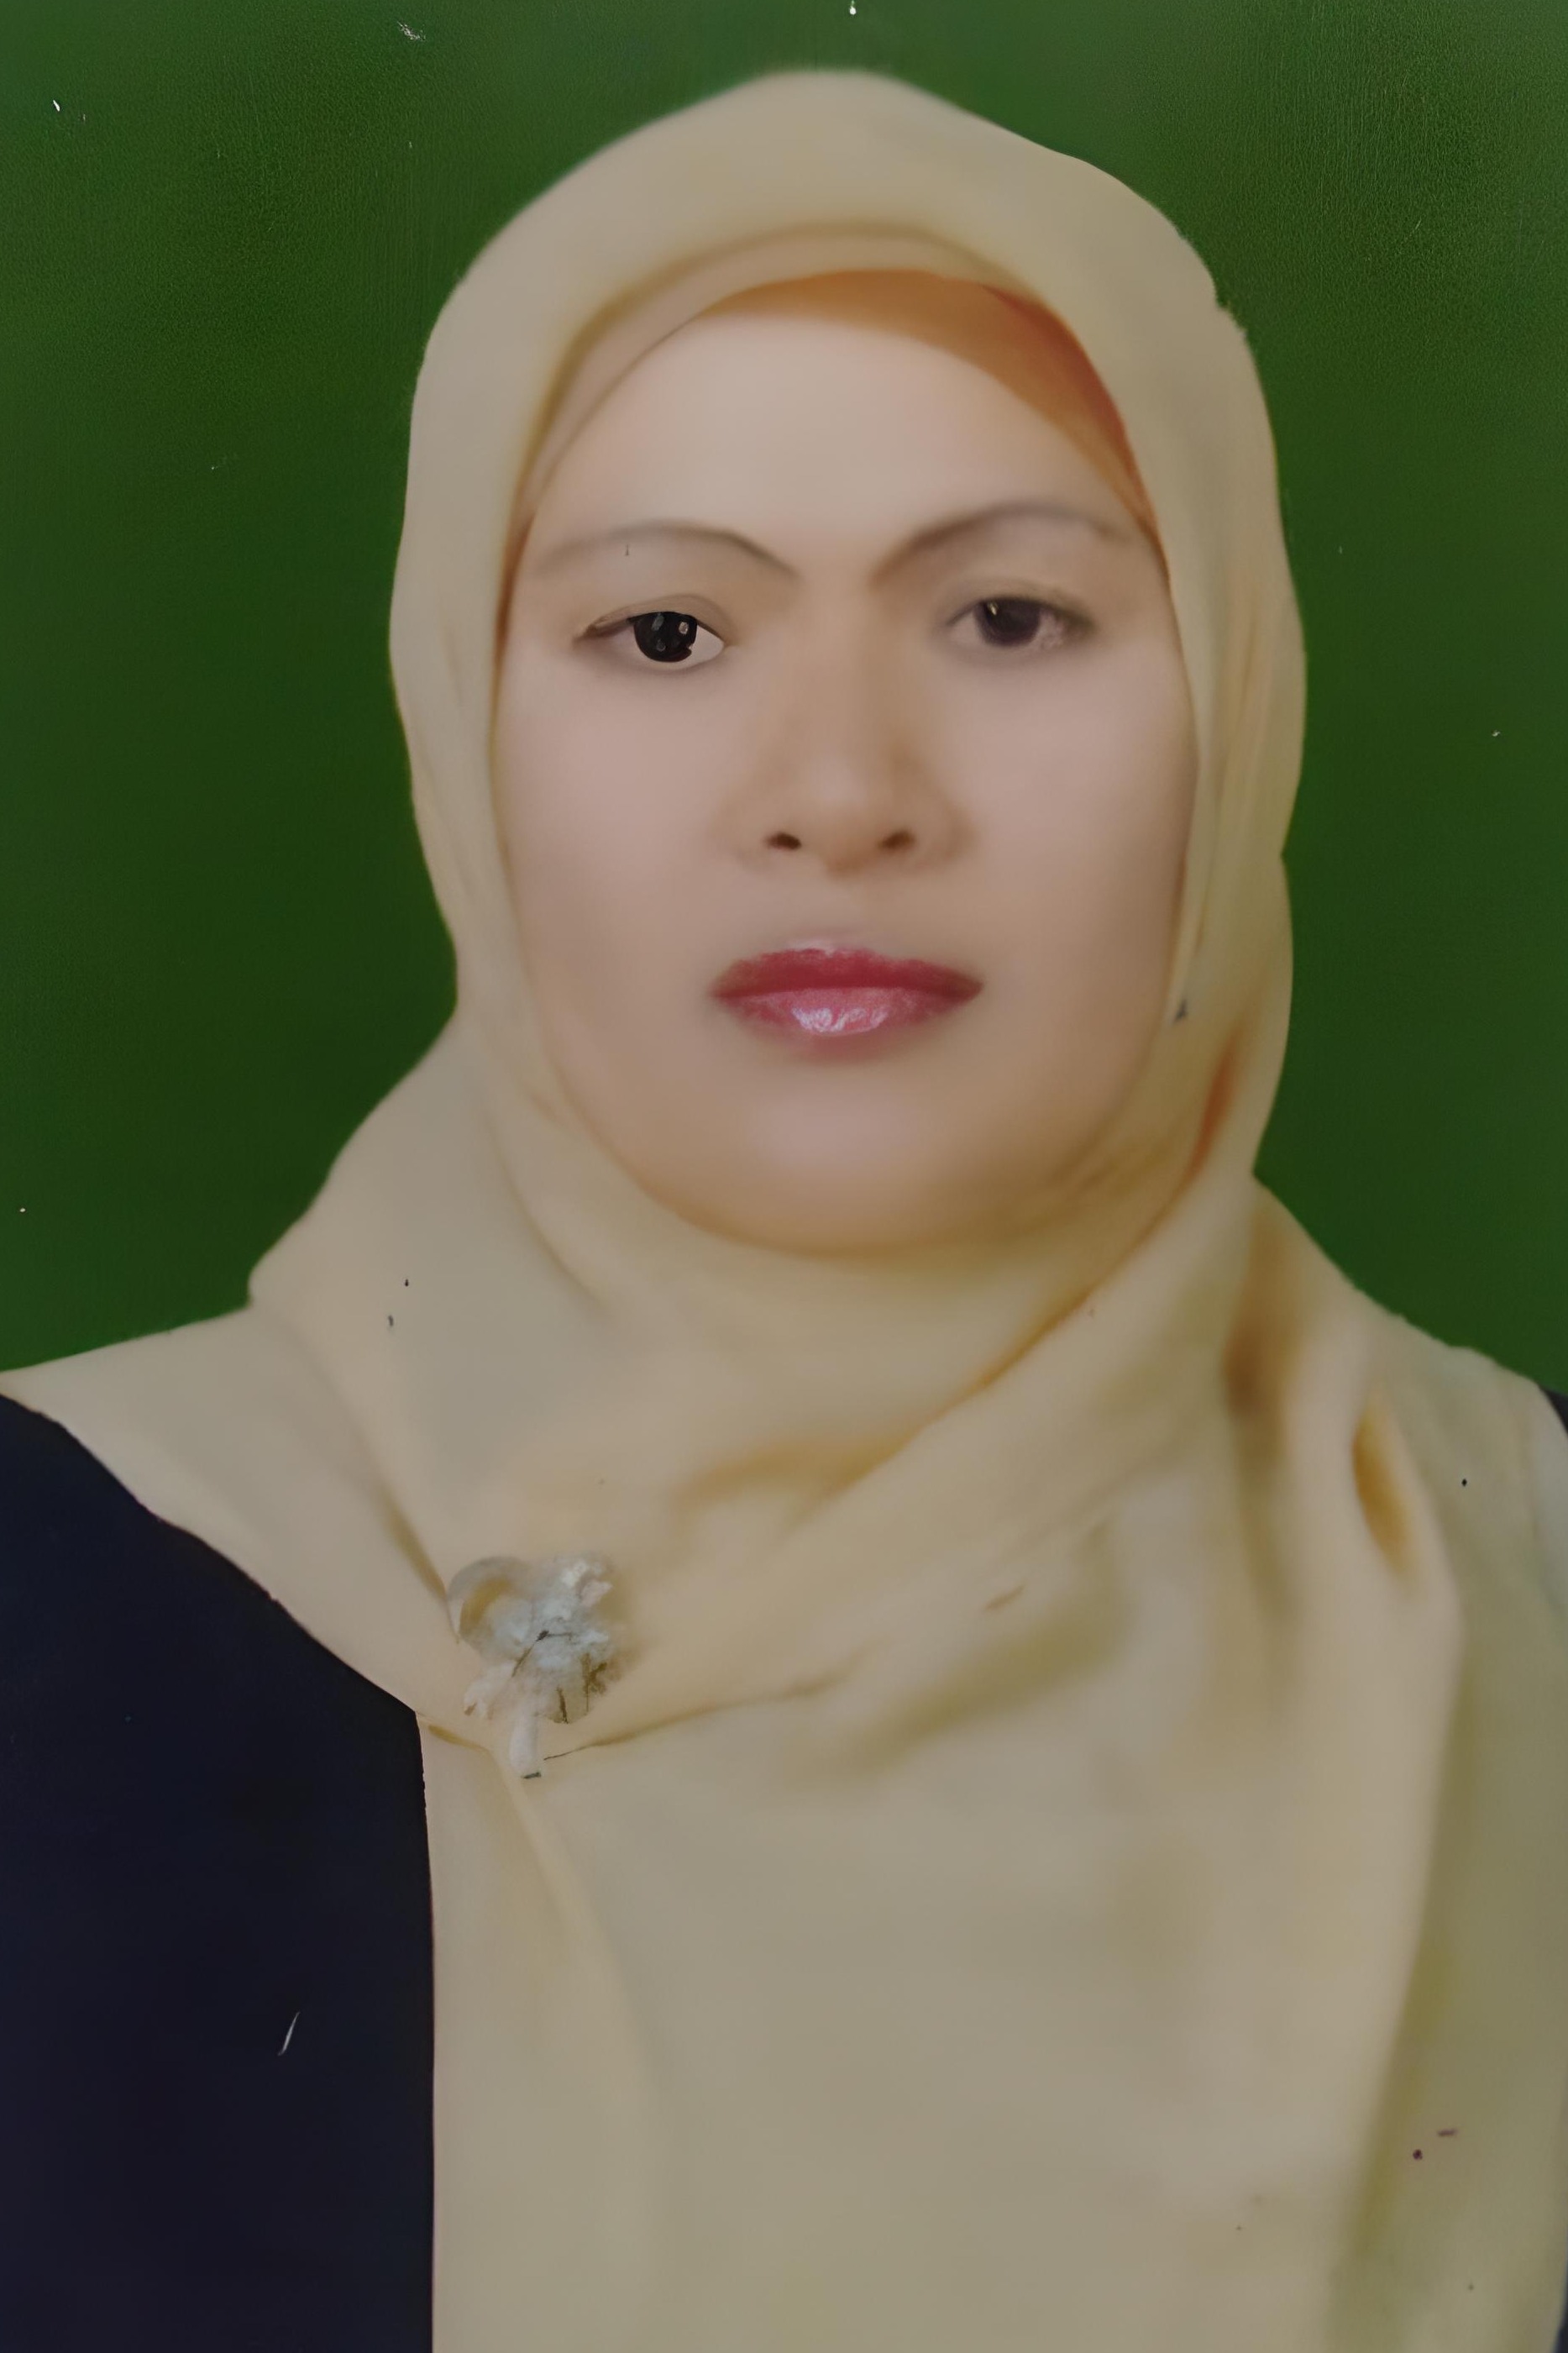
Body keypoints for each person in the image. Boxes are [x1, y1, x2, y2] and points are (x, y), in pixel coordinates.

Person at [3, 66, 1568, 2353]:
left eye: (1010, 616)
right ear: (463, 728)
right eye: (665, 633)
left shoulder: (1523, 1568)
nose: (838, 794)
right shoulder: (66, 1578)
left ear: (1240, 704)